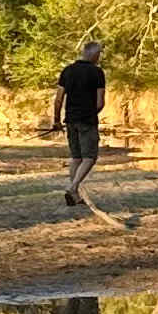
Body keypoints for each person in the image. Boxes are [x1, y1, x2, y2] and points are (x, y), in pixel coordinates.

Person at [52, 40, 106, 209]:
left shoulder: (67, 71)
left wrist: (56, 120)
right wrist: (90, 115)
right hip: (87, 120)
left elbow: (59, 99)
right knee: (90, 157)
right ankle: (73, 187)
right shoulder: (97, 73)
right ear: (95, 55)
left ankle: (74, 196)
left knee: (76, 157)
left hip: (70, 120)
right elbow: (100, 102)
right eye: (99, 55)